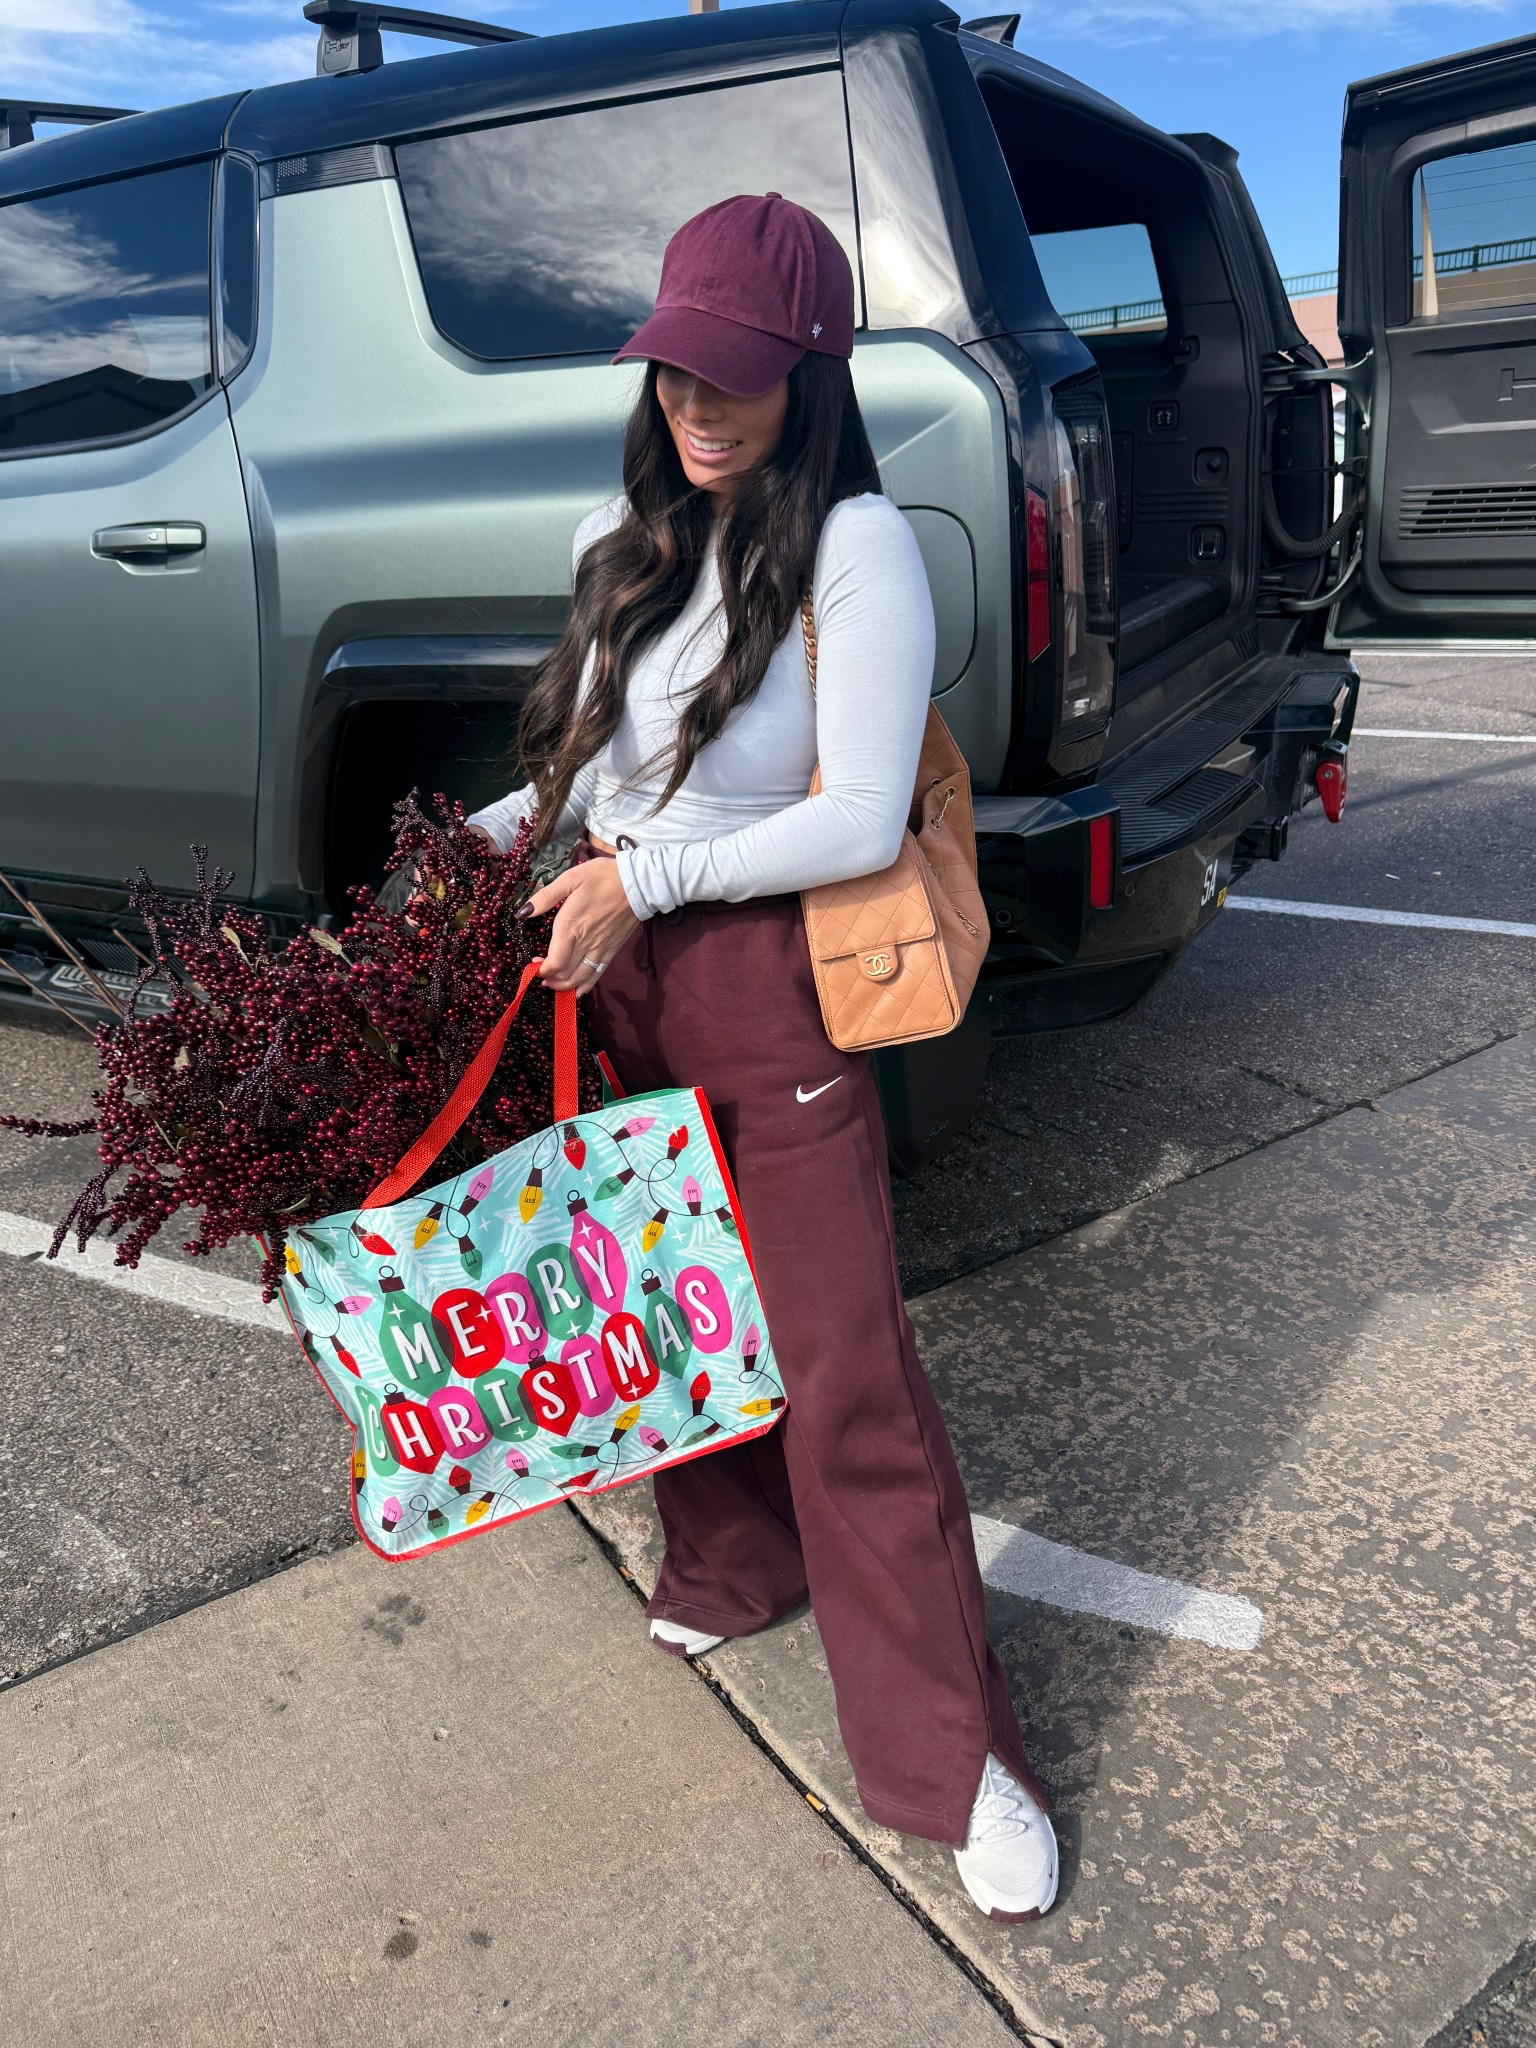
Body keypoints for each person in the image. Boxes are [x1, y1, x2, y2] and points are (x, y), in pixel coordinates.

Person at [467, 193, 1057, 1922]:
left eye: (734, 375)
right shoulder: (620, 534)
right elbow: (591, 778)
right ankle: (732, 1566)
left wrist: (642, 882)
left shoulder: (856, 544)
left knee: (846, 1369)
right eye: (674, 372)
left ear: (812, 372)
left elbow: (859, 816)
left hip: (768, 981)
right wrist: (471, 848)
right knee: (664, 1319)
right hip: (612, 975)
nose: (696, 408)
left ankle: (954, 1757)